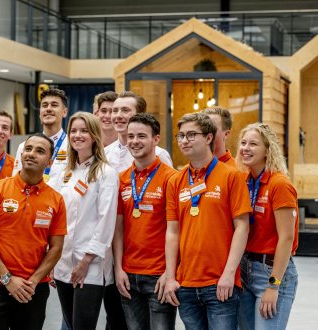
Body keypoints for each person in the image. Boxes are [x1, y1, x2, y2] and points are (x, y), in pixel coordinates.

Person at [163, 113, 252, 330]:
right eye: (181, 135)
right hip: (186, 284)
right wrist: (170, 276)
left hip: (220, 283)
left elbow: (242, 227)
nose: (184, 140)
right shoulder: (176, 180)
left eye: (192, 135)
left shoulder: (231, 176)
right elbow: (172, 232)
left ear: (209, 137)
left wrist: (229, 274)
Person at [0, 133, 67, 329]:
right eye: (28, 149)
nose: (32, 154)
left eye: (40, 151)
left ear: (49, 161)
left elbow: (56, 248)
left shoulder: (56, 200)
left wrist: (33, 282)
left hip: (33, 289)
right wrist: (7, 278)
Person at [103, 91, 172, 330]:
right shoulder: (118, 172)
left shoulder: (167, 171)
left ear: (155, 139)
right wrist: (119, 267)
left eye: (141, 136)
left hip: (158, 271)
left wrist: (171, 271)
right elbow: (117, 225)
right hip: (127, 270)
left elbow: (174, 226)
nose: (134, 141)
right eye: (131, 136)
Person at [52, 112, 119, 330]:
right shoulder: (66, 172)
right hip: (63, 263)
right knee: (71, 325)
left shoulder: (105, 173)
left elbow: (106, 221)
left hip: (89, 266)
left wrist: (85, 261)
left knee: (82, 326)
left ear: (94, 136)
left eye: (84, 131)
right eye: (73, 131)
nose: (77, 135)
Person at [236, 123, 299, 330]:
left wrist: (273, 285)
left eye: (253, 144)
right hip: (245, 269)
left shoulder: (279, 185)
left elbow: (286, 239)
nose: (246, 148)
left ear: (267, 150)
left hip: (271, 271)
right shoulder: (244, 181)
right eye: (243, 143)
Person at [105, 91, 173, 173]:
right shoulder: (104, 153)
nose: (118, 115)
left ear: (140, 115)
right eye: (115, 110)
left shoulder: (158, 154)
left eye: (125, 110)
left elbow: (170, 183)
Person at [13, 88, 69, 186]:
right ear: (40, 113)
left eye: (54, 105)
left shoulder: (72, 146)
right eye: (44, 105)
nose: (48, 109)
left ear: (64, 112)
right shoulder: (24, 147)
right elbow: (16, 182)